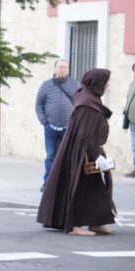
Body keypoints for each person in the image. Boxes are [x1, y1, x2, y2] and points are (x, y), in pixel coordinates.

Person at [37, 68, 116, 236]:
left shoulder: (89, 98)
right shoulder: (87, 103)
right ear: (98, 82)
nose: (108, 84)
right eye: (106, 81)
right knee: (77, 188)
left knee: (95, 188)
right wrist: (97, 156)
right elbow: (84, 135)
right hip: (79, 154)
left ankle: (96, 222)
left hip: (86, 151)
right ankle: (73, 225)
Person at [35, 59, 81, 191]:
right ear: (55, 69)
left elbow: (80, 102)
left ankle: (66, 184)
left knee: (67, 156)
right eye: (61, 67)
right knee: (51, 155)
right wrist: (44, 121)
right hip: (51, 128)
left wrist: (75, 122)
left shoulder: (75, 84)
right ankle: (48, 183)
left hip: (68, 128)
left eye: (65, 68)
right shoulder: (46, 85)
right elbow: (38, 104)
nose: (63, 70)